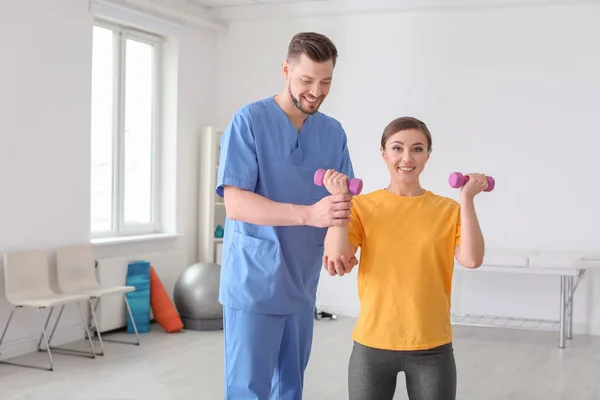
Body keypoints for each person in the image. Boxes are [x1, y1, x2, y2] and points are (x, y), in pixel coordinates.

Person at [215, 32, 357, 399]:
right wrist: (310, 215)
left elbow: (343, 204)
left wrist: (338, 242)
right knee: (250, 390)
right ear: (285, 70)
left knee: (290, 388)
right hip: (253, 282)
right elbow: (236, 204)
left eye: (326, 82)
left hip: (300, 282)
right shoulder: (249, 121)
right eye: (306, 80)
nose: (316, 91)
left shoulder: (332, 132)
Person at [321, 116, 488, 400]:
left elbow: (471, 259)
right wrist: (339, 200)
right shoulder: (361, 206)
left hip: (432, 346)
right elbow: (337, 258)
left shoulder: (447, 209)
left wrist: (467, 199)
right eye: (397, 148)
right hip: (372, 344)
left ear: (428, 155)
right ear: (383, 153)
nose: (406, 158)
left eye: (417, 149)